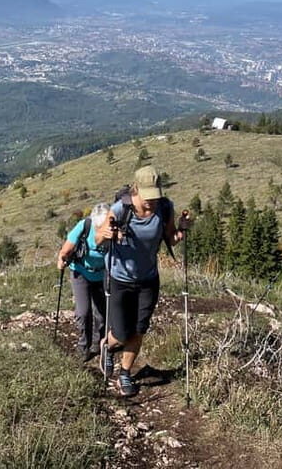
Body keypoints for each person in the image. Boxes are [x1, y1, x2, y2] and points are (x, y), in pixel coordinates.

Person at [95, 166, 184, 397]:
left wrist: (181, 232)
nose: (152, 202)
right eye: (147, 197)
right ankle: (107, 345)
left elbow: (171, 238)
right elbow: (98, 239)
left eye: (155, 195)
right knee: (122, 333)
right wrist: (109, 234)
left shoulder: (165, 208)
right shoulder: (120, 209)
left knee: (139, 329)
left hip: (148, 280)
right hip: (120, 279)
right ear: (136, 189)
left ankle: (125, 373)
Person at [56, 203, 110, 362]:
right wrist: (62, 259)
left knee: (102, 312)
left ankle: (98, 343)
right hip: (81, 272)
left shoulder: (113, 231)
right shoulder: (84, 226)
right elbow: (65, 250)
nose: (101, 231)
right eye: (99, 227)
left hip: (102, 274)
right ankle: (83, 346)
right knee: (83, 312)